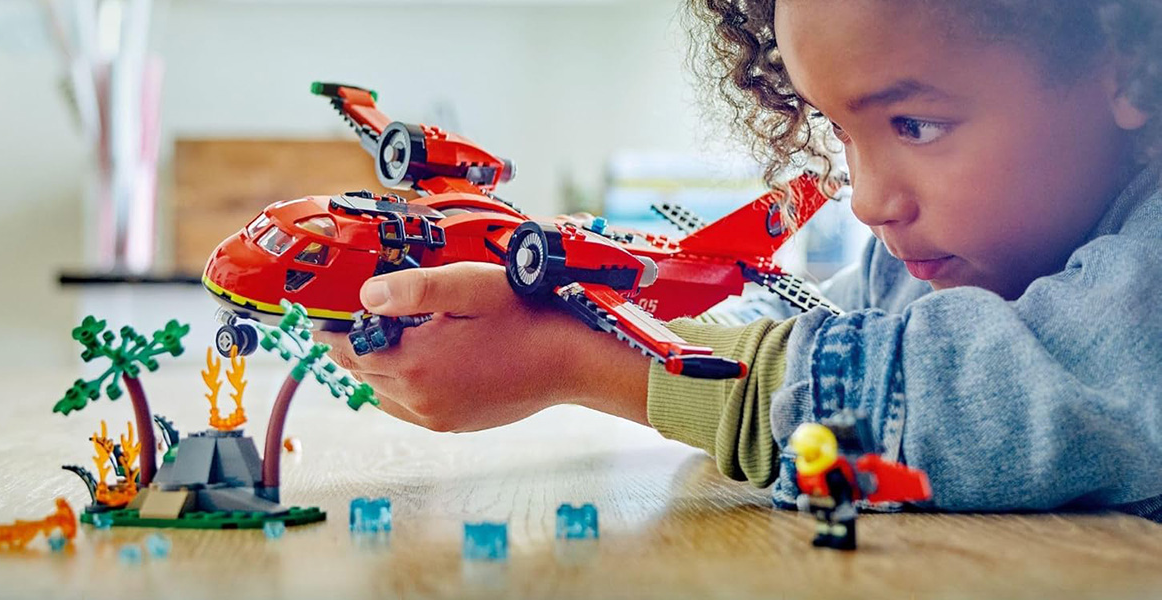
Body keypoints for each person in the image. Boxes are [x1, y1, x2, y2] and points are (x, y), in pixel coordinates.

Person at [318, 0, 1162, 520]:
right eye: (839, 130)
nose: (868, 202)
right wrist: (547, 309)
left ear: (1127, 64)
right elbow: (781, 335)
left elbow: (966, 397)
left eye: (916, 126)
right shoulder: (924, 255)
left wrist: (575, 360)